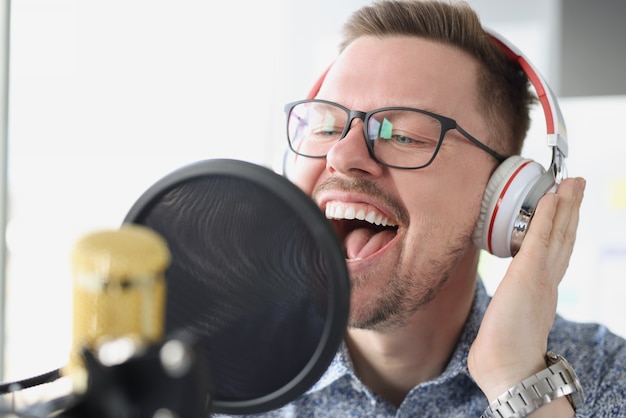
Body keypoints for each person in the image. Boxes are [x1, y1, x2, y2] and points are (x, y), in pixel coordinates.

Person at [232, 0, 626, 416]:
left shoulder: (607, 378)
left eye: (404, 136)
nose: (343, 155)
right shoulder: (216, 370)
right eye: (327, 127)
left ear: (503, 198)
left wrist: (516, 378)